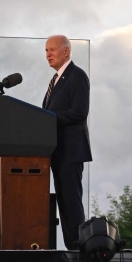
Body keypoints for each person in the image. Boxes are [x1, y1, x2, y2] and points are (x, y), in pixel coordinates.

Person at [41, 35, 92, 250]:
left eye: (52, 50)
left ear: (66, 51)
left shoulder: (77, 76)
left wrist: (47, 118)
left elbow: (80, 112)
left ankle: (78, 251)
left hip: (70, 151)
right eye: (46, 50)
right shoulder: (55, 80)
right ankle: (71, 247)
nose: (48, 54)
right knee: (63, 204)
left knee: (71, 203)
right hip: (57, 151)